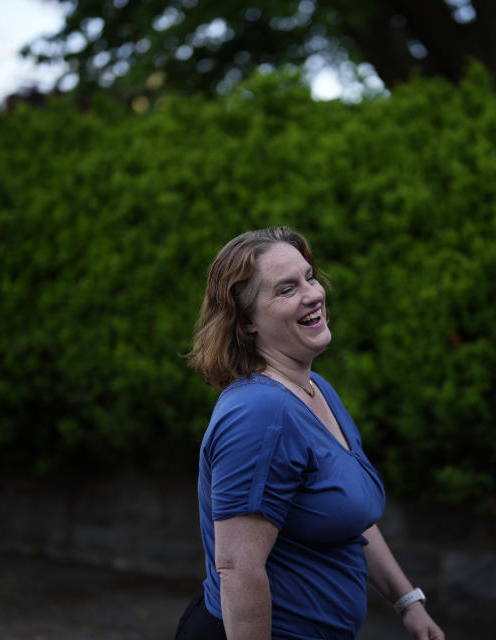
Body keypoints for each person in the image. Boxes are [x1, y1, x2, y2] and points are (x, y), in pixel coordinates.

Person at [177, 227, 445, 640]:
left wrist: (407, 601)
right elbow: (238, 569)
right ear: (247, 321)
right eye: (286, 289)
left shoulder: (315, 390)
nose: (313, 294)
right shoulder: (260, 413)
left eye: (310, 277)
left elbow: (346, 511)